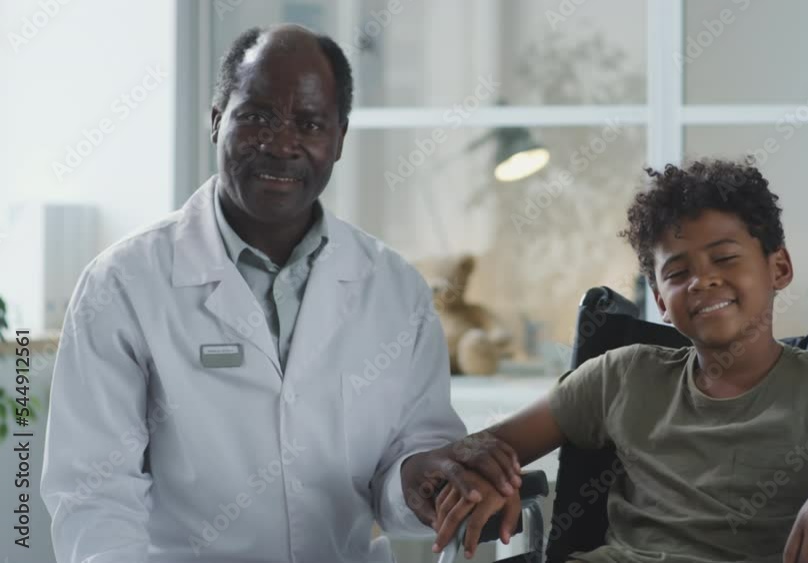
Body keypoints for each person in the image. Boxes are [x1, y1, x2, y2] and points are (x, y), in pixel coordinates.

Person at [40, 24, 519, 563]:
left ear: (339, 138)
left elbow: (408, 467)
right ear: (216, 120)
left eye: (309, 124)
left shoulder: (395, 289)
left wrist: (419, 479)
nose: (281, 143)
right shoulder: (121, 284)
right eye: (257, 116)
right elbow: (96, 496)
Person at [431, 160, 808, 562]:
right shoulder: (622, 376)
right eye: (678, 272)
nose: (702, 280)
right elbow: (480, 450)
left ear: (779, 269)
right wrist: (491, 474)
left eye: (725, 258)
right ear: (660, 300)